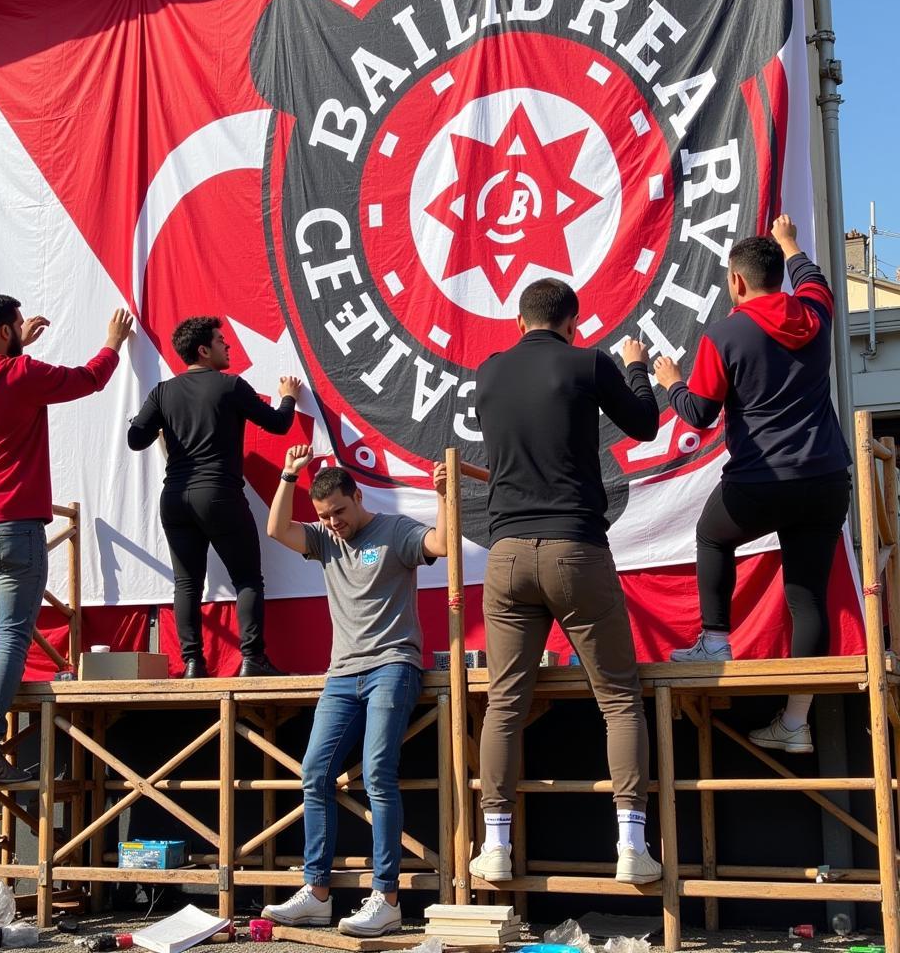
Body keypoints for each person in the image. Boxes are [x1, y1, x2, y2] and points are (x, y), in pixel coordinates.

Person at [472, 278, 662, 885]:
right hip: (574, 547)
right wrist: (635, 369)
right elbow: (646, 426)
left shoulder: (490, 373)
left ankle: (494, 845)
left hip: (505, 555)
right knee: (618, 699)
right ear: (573, 322)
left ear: (519, 321)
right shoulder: (588, 363)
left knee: (504, 704)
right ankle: (631, 843)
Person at [655, 214, 852, 754]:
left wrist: (670, 381)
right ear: (780, 275)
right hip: (826, 475)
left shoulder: (726, 333)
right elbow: (811, 276)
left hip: (762, 478)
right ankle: (795, 724)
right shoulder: (816, 311)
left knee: (713, 536)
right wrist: (790, 242)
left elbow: (698, 413)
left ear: (737, 282)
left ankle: (716, 642)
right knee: (807, 597)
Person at [0, 296, 133, 785]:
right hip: (14, 526)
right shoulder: (21, 374)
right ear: (6, 332)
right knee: (10, 635)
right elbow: (87, 379)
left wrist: (14, 348)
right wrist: (112, 344)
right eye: (18, 325)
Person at [261, 444, 447, 936]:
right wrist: (287, 475)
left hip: (393, 665)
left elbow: (444, 544)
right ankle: (317, 892)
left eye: (340, 512)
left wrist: (444, 493)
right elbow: (277, 530)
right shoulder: (324, 539)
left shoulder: (395, 531)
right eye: (325, 516)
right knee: (314, 773)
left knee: (379, 774)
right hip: (341, 674)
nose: (334, 523)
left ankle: (386, 898)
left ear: (358, 496)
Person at [127, 315, 300, 678]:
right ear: (204, 350)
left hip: (174, 497)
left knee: (187, 583)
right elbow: (278, 425)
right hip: (219, 493)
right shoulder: (230, 386)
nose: (229, 346)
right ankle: (252, 659)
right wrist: (287, 399)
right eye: (222, 341)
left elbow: (136, 440)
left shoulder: (162, 392)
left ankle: (192, 663)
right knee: (248, 579)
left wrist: (154, 422)